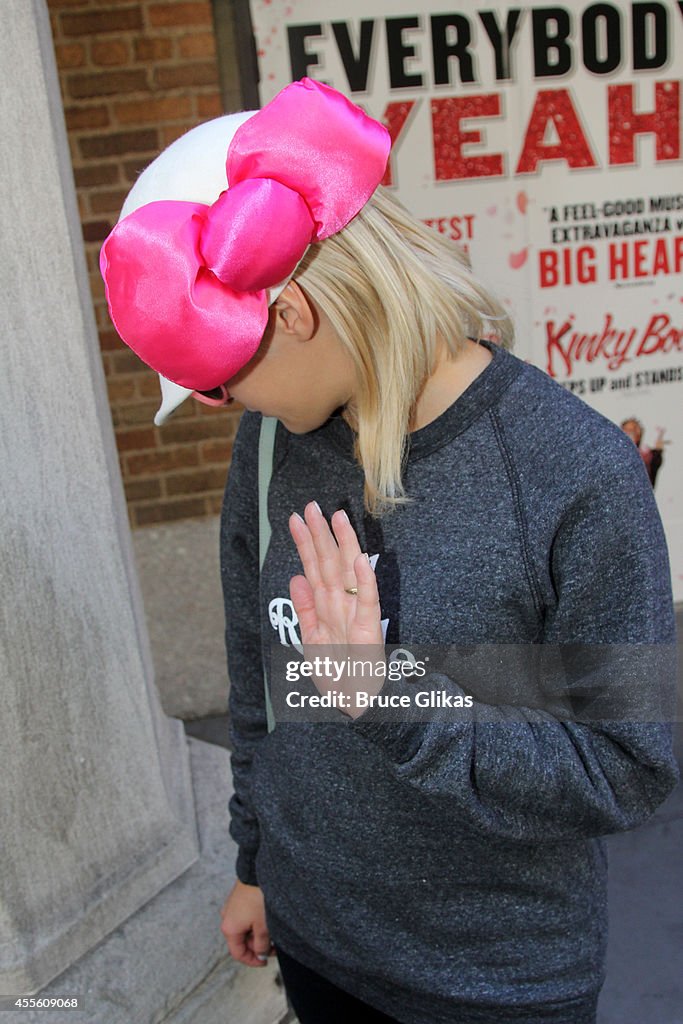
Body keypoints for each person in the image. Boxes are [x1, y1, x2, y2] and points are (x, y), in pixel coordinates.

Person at [100, 79, 679, 1024]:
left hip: (493, 986)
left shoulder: (572, 474)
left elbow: (624, 767)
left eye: (213, 383)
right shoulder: (274, 442)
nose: (223, 409)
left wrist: (391, 698)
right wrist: (256, 863)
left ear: (291, 315)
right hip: (319, 941)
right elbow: (260, 671)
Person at [620, 417, 667, 488]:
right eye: (626, 430)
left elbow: (655, 465)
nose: (628, 434)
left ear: (638, 435)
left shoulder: (647, 455)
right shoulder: (615, 454)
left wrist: (658, 451)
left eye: (632, 431)